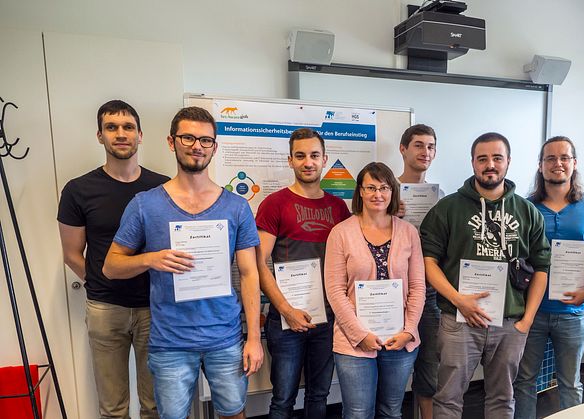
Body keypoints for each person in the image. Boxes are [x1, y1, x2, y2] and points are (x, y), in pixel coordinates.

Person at [102, 107, 264, 419]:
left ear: (214, 147)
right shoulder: (145, 205)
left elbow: (249, 274)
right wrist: (151, 258)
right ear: (171, 142)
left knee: (233, 413)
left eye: (205, 140)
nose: (196, 146)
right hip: (170, 342)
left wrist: (254, 339)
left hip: (225, 337)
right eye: (188, 137)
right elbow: (111, 266)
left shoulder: (236, 207)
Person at [419, 132, 551, 419]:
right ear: (473, 163)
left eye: (496, 158)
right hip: (458, 321)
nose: (489, 165)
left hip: (509, 324)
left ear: (508, 162)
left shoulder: (528, 212)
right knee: (448, 398)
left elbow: (542, 267)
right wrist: (458, 300)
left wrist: (526, 320)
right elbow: (428, 261)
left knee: (503, 399)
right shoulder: (448, 208)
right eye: (482, 159)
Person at [57, 100, 167, 419]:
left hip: (154, 307)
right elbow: (71, 254)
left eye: (128, 127)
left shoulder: (161, 188)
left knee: (155, 405)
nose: (121, 134)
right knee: (113, 408)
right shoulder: (79, 190)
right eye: (112, 127)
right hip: (106, 309)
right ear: (99, 135)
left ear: (140, 136)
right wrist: (101, 281)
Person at [255, 128, 350, 419]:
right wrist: (286, 310)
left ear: (324, 160)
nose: (307, 162)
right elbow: (258, 264)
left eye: (314, 155)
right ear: (290, 160)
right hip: (286, 320)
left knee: (319, 395)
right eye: (300, 156)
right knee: (282, 399)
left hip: (328, 318)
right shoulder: (274, 204)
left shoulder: (338, 208)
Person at [513, 136, 584, 419]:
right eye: (550, 159)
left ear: (574, 164)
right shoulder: (525, 207)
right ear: (540, 166)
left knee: (570, 383)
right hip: (531, 311)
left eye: (564, 158)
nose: (558, 164)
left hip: (573, 311)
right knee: (525, 381)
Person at [324, 162, 426, 419]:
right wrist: (360, 335)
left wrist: (409, 331)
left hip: (399, 339)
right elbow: (335, 290)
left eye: (384, 188)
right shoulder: (340, 233)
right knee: (358, 413)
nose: (377, 194)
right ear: (359, 191)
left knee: (391, 411)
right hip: (353, 342)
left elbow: (417, 287)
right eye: (370, 187)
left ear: (393, 192)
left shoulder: (409, 232)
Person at [396, 123, 441, 419]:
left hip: (429, 293)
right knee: (391, 370)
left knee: (428, 366)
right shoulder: (383, 192)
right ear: (403, 149)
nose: (425, 152)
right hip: (391, 294)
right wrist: (389, 216)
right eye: (419, 145)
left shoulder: (443, 198)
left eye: (431, 146)